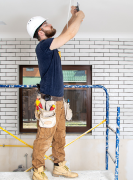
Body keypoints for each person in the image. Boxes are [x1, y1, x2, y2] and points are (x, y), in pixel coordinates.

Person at [26, 6, 85, 180]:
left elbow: (66, 31)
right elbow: (70, 34)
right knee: (44, 138)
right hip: (49, 102)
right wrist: (81, 16)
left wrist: (73, 16)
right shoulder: (43, 46)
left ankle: (59, 167)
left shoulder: (49, 45)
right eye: (46, 24)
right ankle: (37, 171)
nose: (50, 24)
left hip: (58, 102)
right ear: (41, 32)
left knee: (60, 137)